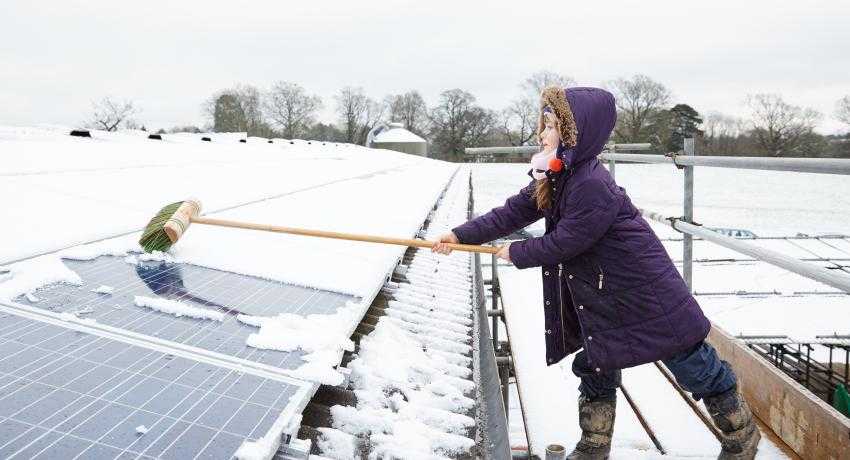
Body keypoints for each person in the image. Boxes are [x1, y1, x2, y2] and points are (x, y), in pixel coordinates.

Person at [432, 86, 760, 460]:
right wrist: (459, 235)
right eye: (544, 124)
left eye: (551, 126)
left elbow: (568, 241)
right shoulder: (558, 175)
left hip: (645, 292)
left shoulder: (590, 184)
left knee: (691, 364)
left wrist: (518, 251)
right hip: (605, 293)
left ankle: (741, 437)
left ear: (575, 134)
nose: (542, 134)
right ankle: (594, 444)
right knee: (595, 359)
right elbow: (513, 212)